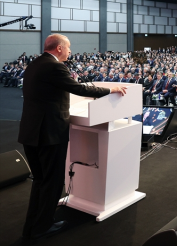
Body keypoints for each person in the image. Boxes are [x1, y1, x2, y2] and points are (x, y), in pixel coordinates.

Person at [18, 34, 127, 240]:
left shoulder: (35, 63)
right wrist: (110, 89)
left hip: (31, 132)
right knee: (52, 181)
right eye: (68, 47)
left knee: (40, 181)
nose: (70, 51)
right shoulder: (55, 66)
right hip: (49, 134)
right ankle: (43, 227)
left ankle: (32, 225)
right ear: (59, 48)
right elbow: (78, 88)